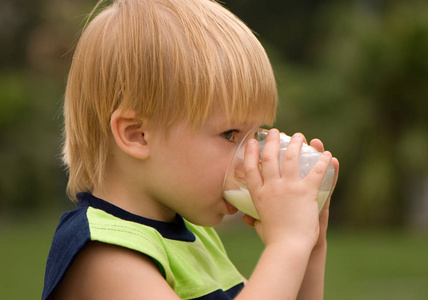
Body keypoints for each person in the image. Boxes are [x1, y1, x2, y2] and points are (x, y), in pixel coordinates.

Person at [42, 0, 339, 299]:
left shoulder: (196, 237)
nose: (250, 159)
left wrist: (309, 247)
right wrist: (287, 244)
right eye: (230, 134)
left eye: (256, 135)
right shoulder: (104, 254)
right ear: (137, 135)